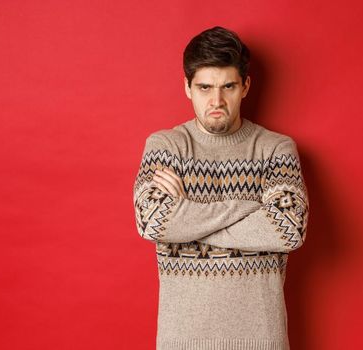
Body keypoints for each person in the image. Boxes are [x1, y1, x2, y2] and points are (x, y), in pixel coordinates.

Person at [132, 26, 309, 350]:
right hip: (182, 340)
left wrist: (188, 219)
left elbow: (288, 229)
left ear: (245, 86)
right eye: (204, 87)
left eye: (228, 86)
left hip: (262, 339)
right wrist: (251, 207)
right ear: (187, 87)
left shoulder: (276, 149)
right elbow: (152, 221)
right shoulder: (166, 146)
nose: (216, 100)